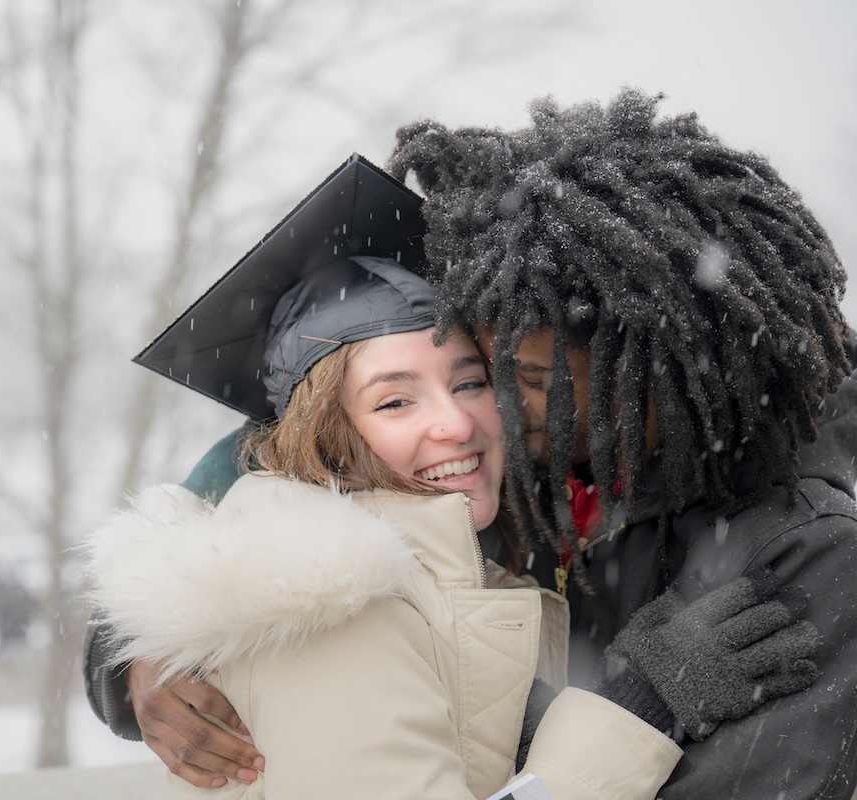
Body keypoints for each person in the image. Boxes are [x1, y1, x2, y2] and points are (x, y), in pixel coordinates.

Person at [81, 151, 826, 794]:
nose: (456, 422)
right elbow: (221, 528)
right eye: (395, 399)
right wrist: (135, 652)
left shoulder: (515, 469)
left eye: (472, 381)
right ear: (325, 436)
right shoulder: (321, 594)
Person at [383, 88, 857, 798]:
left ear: (662, 366)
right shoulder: (519, 490)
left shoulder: (805, 551)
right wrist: (153, 672)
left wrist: (556, 723)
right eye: (488, 373)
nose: (497, 409)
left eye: (535, 380)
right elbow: (294, 479)